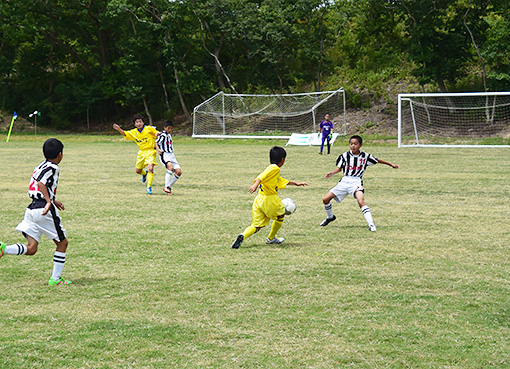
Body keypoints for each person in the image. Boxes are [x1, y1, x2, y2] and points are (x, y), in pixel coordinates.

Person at [0, 138, 71, 285]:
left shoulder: (41, 165)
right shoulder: (53, 167)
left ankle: (3, 248)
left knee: (32, 248)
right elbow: (41, 183)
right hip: (43, 210)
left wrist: (53, 198)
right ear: (60, 155)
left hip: (32, 208)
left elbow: (37, 184)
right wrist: (49, 201)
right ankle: (55, 279)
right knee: (62, 243)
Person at [231, 146, 308, 249]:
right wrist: (255, 184)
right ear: (282, 160)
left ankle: (243, 236)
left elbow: (281, 181)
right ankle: (271, 238)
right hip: (269, 199)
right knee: (280, 216)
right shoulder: (274, 168)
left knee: (256, 226)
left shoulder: (273, 172)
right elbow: (261, 176)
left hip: (259, 200)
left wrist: (296, 183)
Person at [320, 135, 398, 231]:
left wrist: (391, 164)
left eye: (355, 144)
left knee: (361, 201)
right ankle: (330, 217)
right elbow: (340, 169)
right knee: (325, 199)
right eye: (351, 144)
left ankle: (371, 225)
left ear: (360, 145)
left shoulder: (365, 156)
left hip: (356, 181)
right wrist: (332, 173)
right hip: (345, 181)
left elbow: (377, 160)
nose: (353, 146)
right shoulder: (344, 156)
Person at [113, 114, 159, 194]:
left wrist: (158, 134)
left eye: (140, 121)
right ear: (135, 124)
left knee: (150, 168)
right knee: (138, 171)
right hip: (141, 152)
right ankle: (144, 173)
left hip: (150, 151)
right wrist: (118, 129)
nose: (138, 123)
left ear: (143, 122)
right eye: (137, 122)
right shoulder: (134, 132)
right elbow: (125, 134)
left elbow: (157, 133)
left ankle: (149, 187)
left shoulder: (148, 128)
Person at [156, 120, 182, 195]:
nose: (170, 130)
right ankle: (166, 186)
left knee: (179, 172)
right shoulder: (162, 135)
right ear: (164, 127)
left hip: (171, 155)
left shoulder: (168, 135)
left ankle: (169, 187)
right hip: (165, 154)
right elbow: (156, 142)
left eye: (171, 128)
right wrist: (158, 149)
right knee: (170, 167)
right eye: (168, 128)